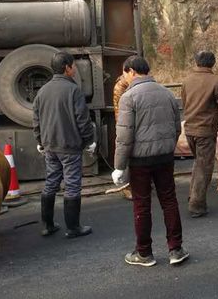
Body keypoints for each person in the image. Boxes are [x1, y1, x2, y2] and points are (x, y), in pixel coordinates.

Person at [111, 56, 189, 267]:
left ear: (131, 72)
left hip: (140, 161)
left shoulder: (129, 97)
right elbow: (176, 128)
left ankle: (144, 253)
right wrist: (167, 147)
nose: (124, 78)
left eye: (124, 73)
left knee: (142, 205)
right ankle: (176, 249)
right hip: (164, 158)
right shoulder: (167, 93)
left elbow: (124, 136)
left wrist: (119, 166)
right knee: (169, 201)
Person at [33, 51, 96, 239]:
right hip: (69, 146)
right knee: (72, 185)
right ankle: (73, 228)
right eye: (73, 66)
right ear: (67, 67)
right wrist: (89, 141)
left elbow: (36, 120)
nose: (75, 69)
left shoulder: (42, 91)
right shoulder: (73, 90)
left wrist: (39, 141)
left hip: (50, 145)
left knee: (51, 183)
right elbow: (82, 120)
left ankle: (48, 225)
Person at [181, 50, 218, 217]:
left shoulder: (187, 80)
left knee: (199, 163)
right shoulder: (215, 81)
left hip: (190, 129)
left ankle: (193, 195)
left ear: (196, 62)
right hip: (205, 130)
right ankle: (197, 205)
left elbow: (185, 103)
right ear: (212, 63)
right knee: (205, 167)